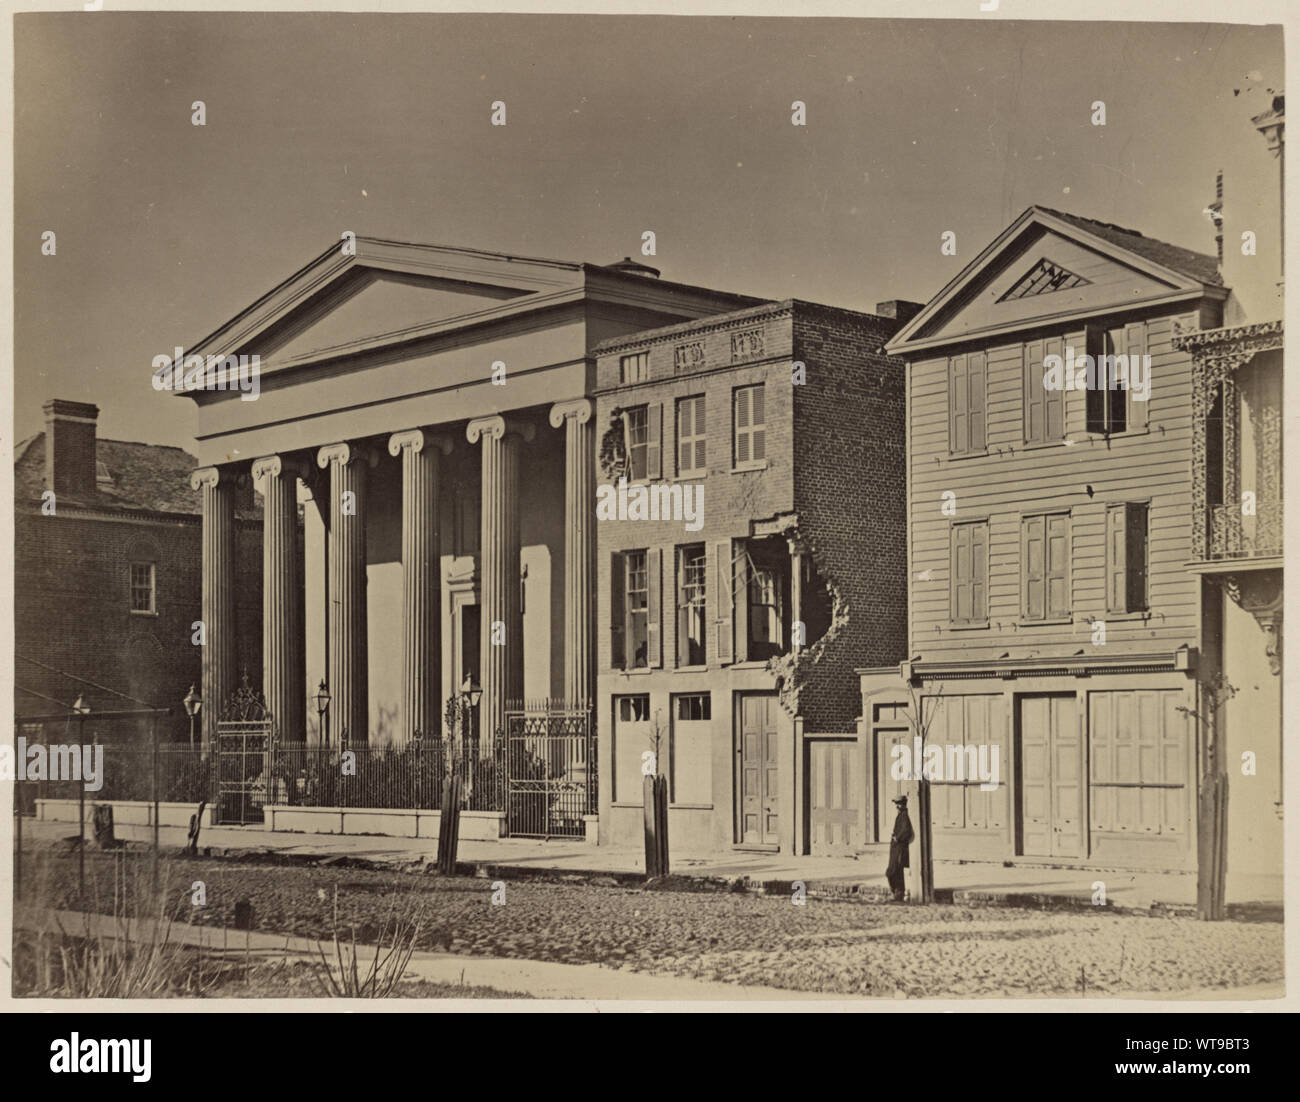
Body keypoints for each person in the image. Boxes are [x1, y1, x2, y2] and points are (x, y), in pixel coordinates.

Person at [886, 794, 914, 902]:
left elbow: (907, 831)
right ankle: (898, 893)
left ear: (902, 804)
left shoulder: (904, 815)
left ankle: (898, 893)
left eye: (898, 804)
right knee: (897, 871)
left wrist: (897, 838)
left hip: (899, 848)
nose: (896, 806)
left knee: (892, 871)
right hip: (895, 847)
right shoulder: (901, 815)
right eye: (896, 804)